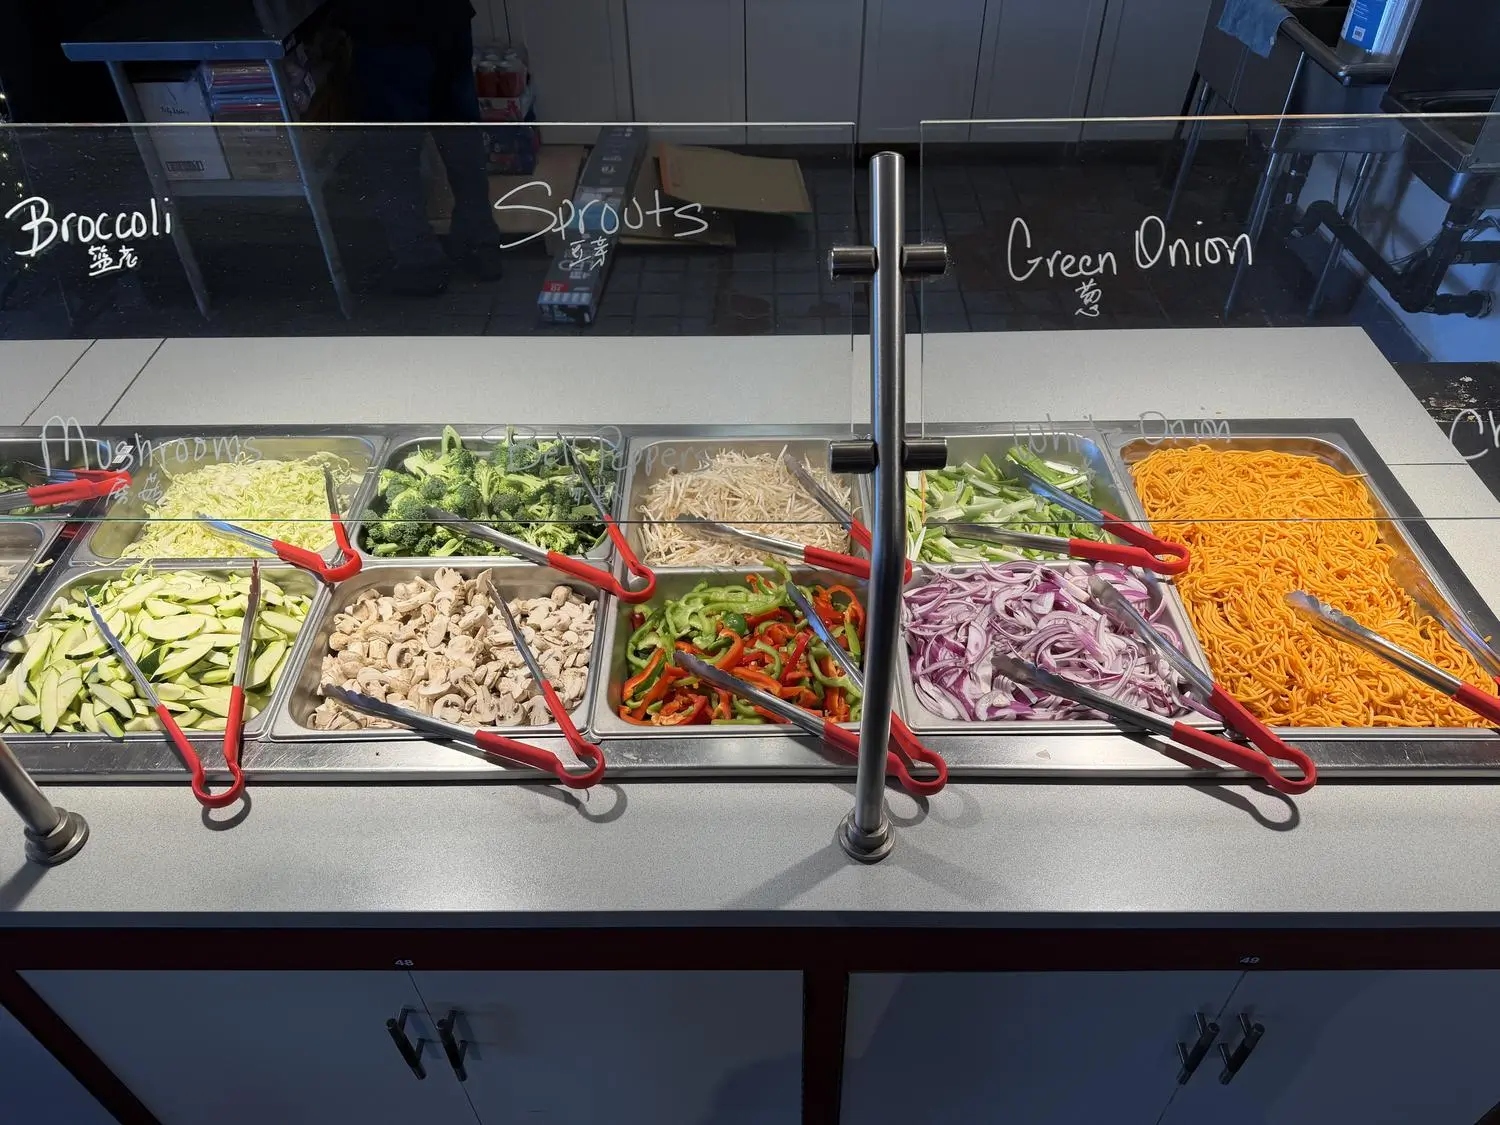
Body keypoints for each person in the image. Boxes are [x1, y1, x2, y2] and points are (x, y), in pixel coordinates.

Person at [338, 0, 503, 294]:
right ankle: (480, 244)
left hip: (386, 29)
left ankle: (419, 263)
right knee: (460, 132)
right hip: (448, 20)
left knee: (392, 153)